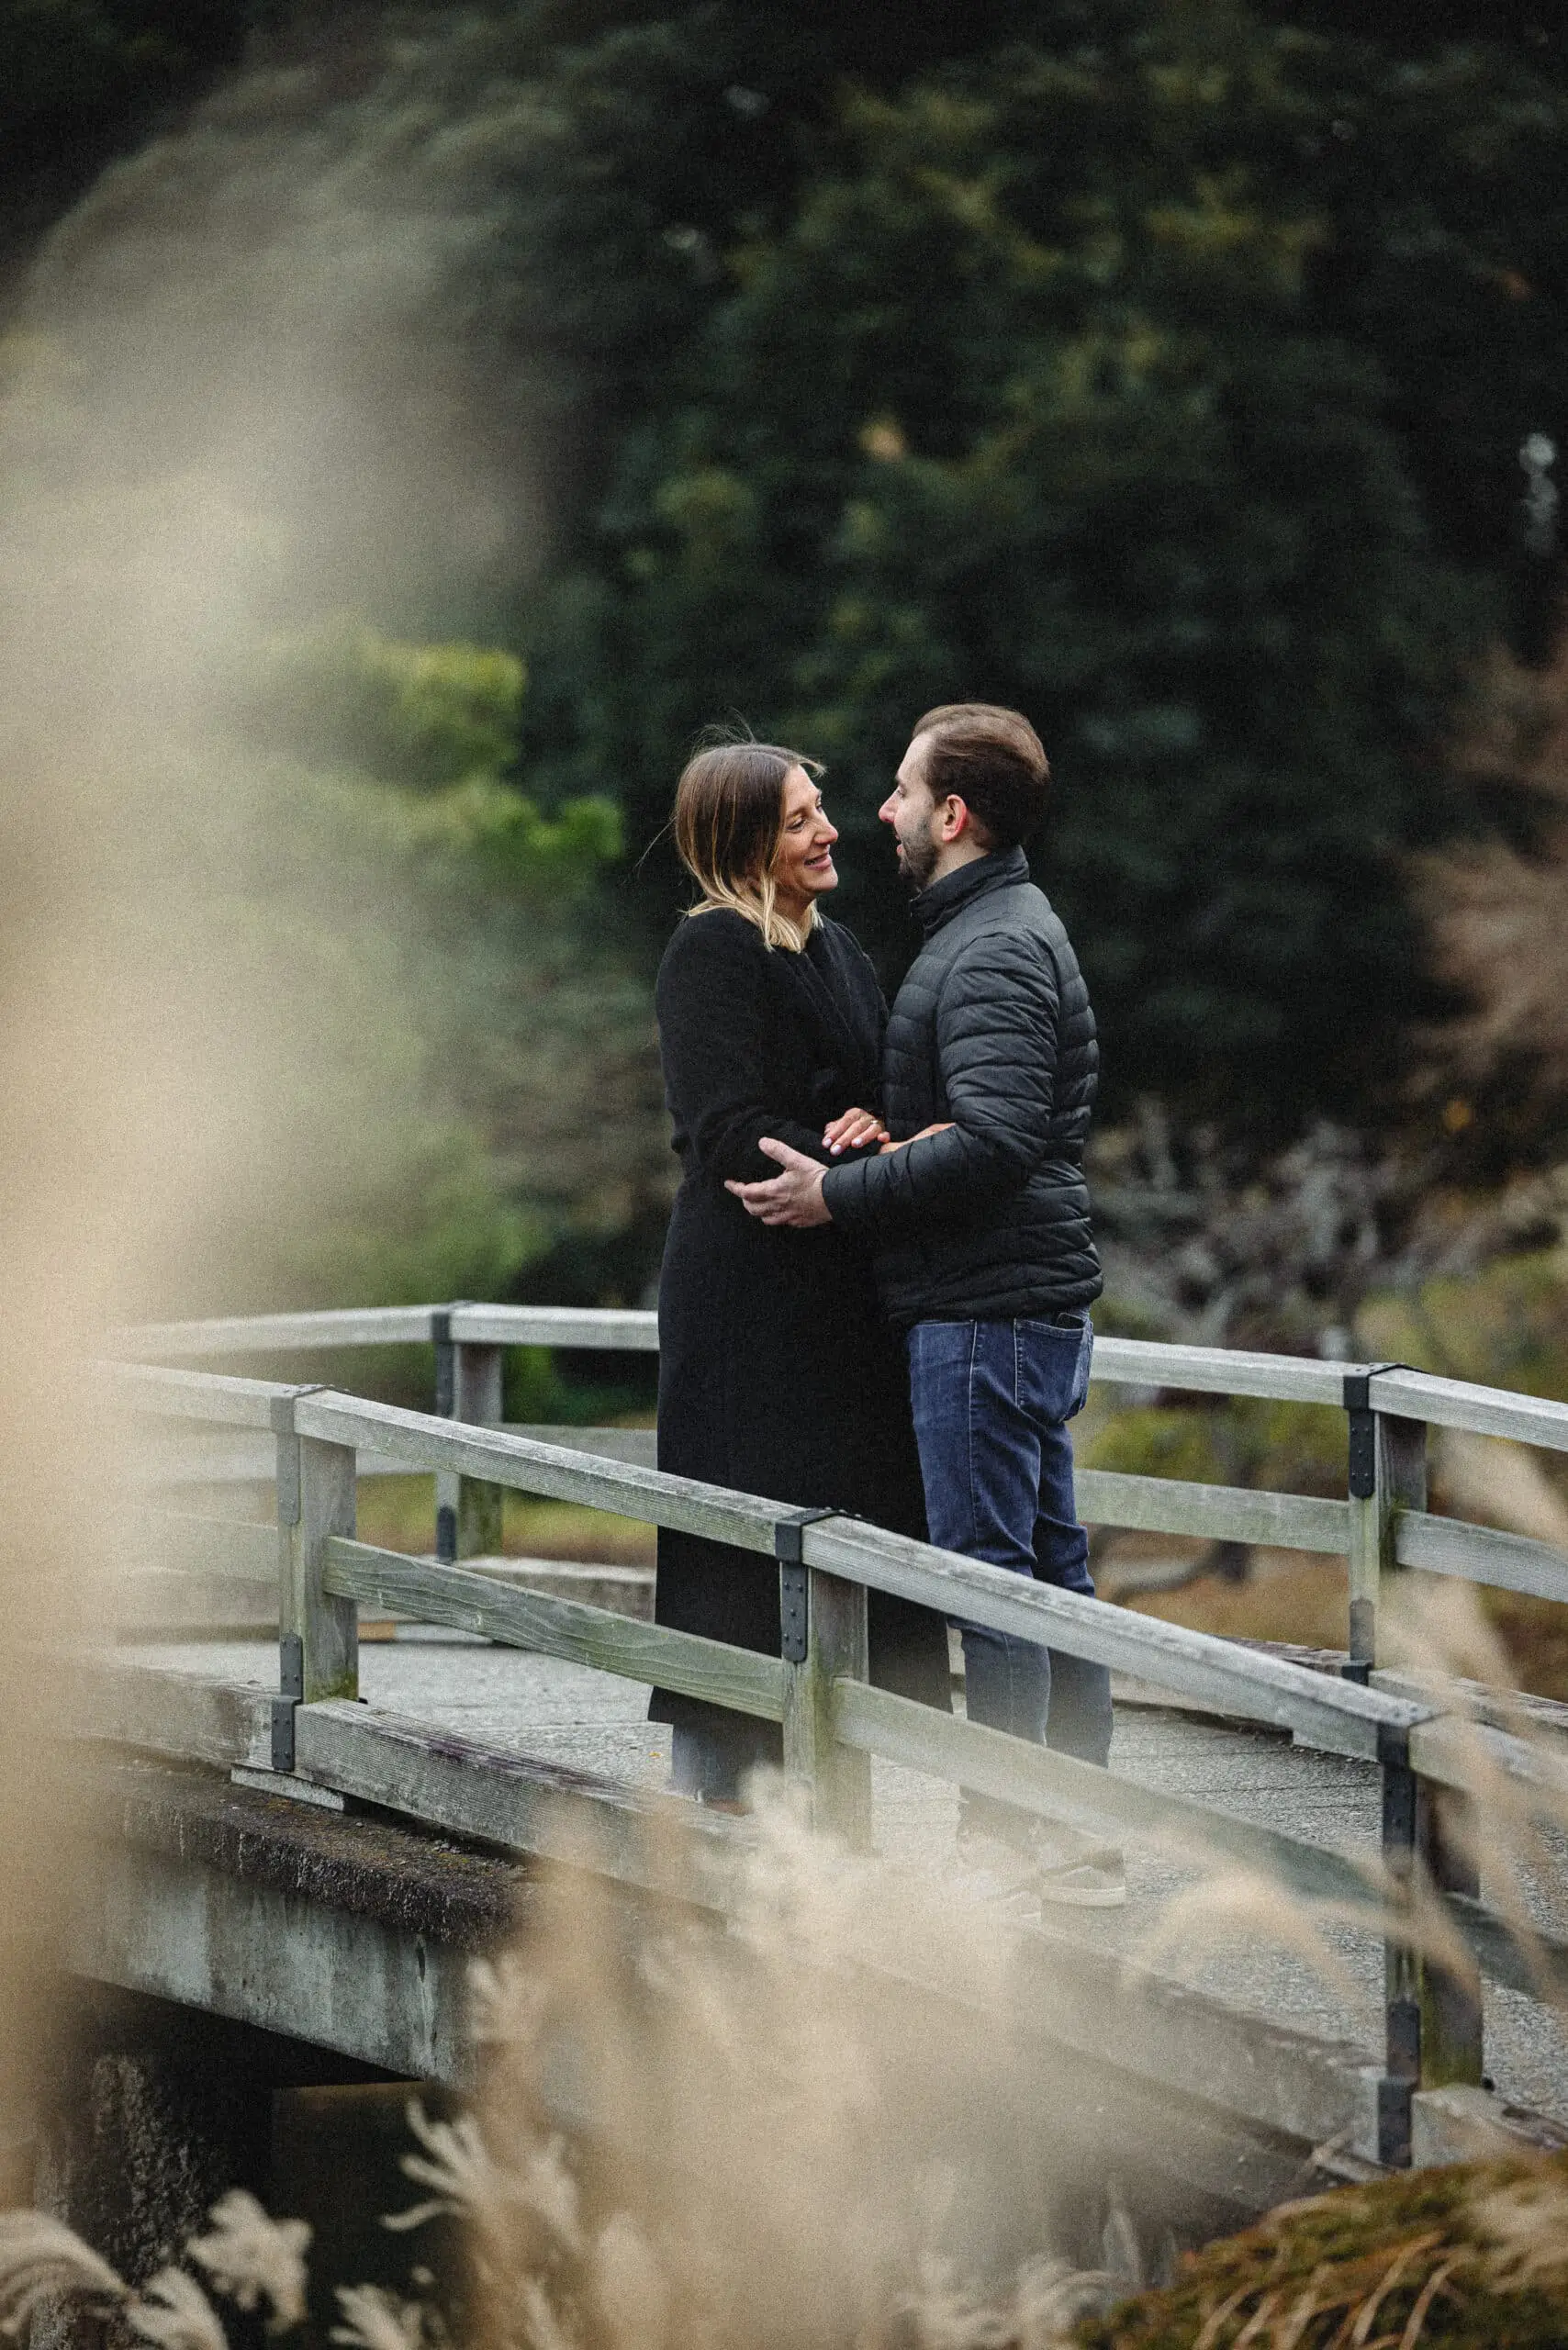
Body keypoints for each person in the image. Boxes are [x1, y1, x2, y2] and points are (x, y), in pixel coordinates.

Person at [726, 704, 1121, 1906]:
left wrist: (842, 1191)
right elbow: (990, 1121)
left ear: (953, 815)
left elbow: (999, 1141)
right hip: (1009, 1297)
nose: (882, 812)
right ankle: (1077, 1838)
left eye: (900, 791)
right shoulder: (993, 925)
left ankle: (1010, 1843)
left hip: (985, 1310)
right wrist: (891, 1134)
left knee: (990, 1576)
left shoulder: (992, 946)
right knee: (1046, 1570)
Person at [651, 736, 951, 1809]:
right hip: (748, 1311)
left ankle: (835, 1836)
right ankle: (717, 1832)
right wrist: (856, 1158)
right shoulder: (714, 952)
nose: (829, 831)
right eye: (798, 820)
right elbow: (725, 1130)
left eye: (820, 809)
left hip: (837, 1302)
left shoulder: (836, 948)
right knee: (742, 1568)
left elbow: (876, 1093)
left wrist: (876, 1130)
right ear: (742, 841)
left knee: (845, 1558)